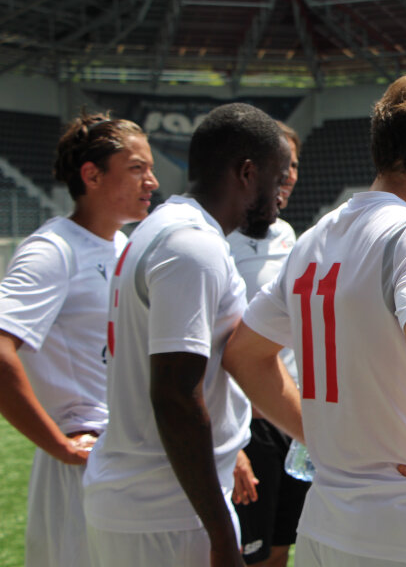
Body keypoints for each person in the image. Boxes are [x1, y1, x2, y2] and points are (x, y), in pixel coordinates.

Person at [222, 72, 406, 567]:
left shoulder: (313, 238)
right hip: (405, 531)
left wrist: (317, 436)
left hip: (323, 524)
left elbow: (244, 354)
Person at [82, 103, 296, 567]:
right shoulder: (192, 246)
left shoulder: (165, 230)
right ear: (247, 172)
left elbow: (230, 363)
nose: (281, 195)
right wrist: (220, 534)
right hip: (167, 513)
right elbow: (176, 395)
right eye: (277, 178)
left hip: (154, 503)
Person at [0, 112, 157, 567]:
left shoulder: (124, 247)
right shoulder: (53, 250)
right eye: (137, 168)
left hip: (131, 455)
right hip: (84, 462)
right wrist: (60, 445)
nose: (152, 181)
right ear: (91, 175)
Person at [226, 120, 306, 567]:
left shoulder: (289, 236)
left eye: (294, 165)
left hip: (289, 414)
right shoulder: (218, 240)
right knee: (246, 554)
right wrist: (232, 442)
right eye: (281, 164)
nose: (289, 175)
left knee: (280, 548)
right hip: (246, 423)